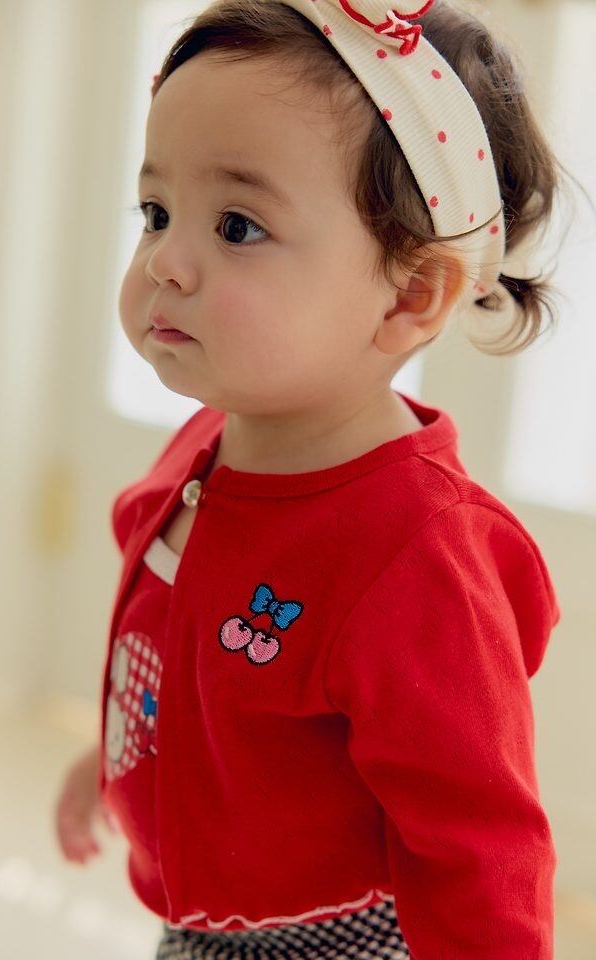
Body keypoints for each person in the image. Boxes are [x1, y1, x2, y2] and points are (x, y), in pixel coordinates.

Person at [54, 2, 572, 957]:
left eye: (237, 226)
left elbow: (483, 848)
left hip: (337, 937)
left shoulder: (416, 556)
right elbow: (199, 678)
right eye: (157, 212)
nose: (165, 261)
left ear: (411, 294)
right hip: (198, 921)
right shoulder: (209, 443)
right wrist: (125, 762)